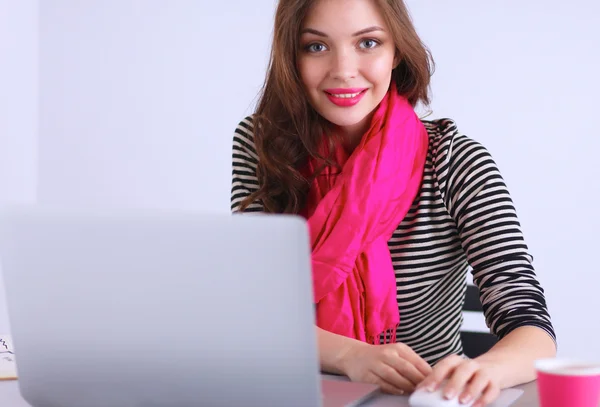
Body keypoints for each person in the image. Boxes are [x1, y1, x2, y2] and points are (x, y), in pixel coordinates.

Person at [230, 0, 557, 406]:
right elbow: (254, 304)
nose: (343, 70)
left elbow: (530, 326)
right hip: (287, 392)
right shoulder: (263, 145)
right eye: (315, 47)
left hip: (416, 397)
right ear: (289, 57)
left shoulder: (454, 162)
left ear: (396, 51)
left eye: (368, 42)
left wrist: (487, 368)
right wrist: (350, 355)